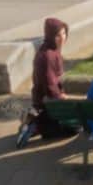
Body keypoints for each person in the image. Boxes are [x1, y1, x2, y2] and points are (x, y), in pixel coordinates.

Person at [17, 17, 69, 146]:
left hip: (42, 101)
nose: (62, 38)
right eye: (58, 35)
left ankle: (36, 122)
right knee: (73, 129)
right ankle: (37, 126)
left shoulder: (49, 49)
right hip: (47, 103)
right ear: (51, 36)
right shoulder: (48, 56)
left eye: (64, 33)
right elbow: (50, 86)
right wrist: (61, 97)